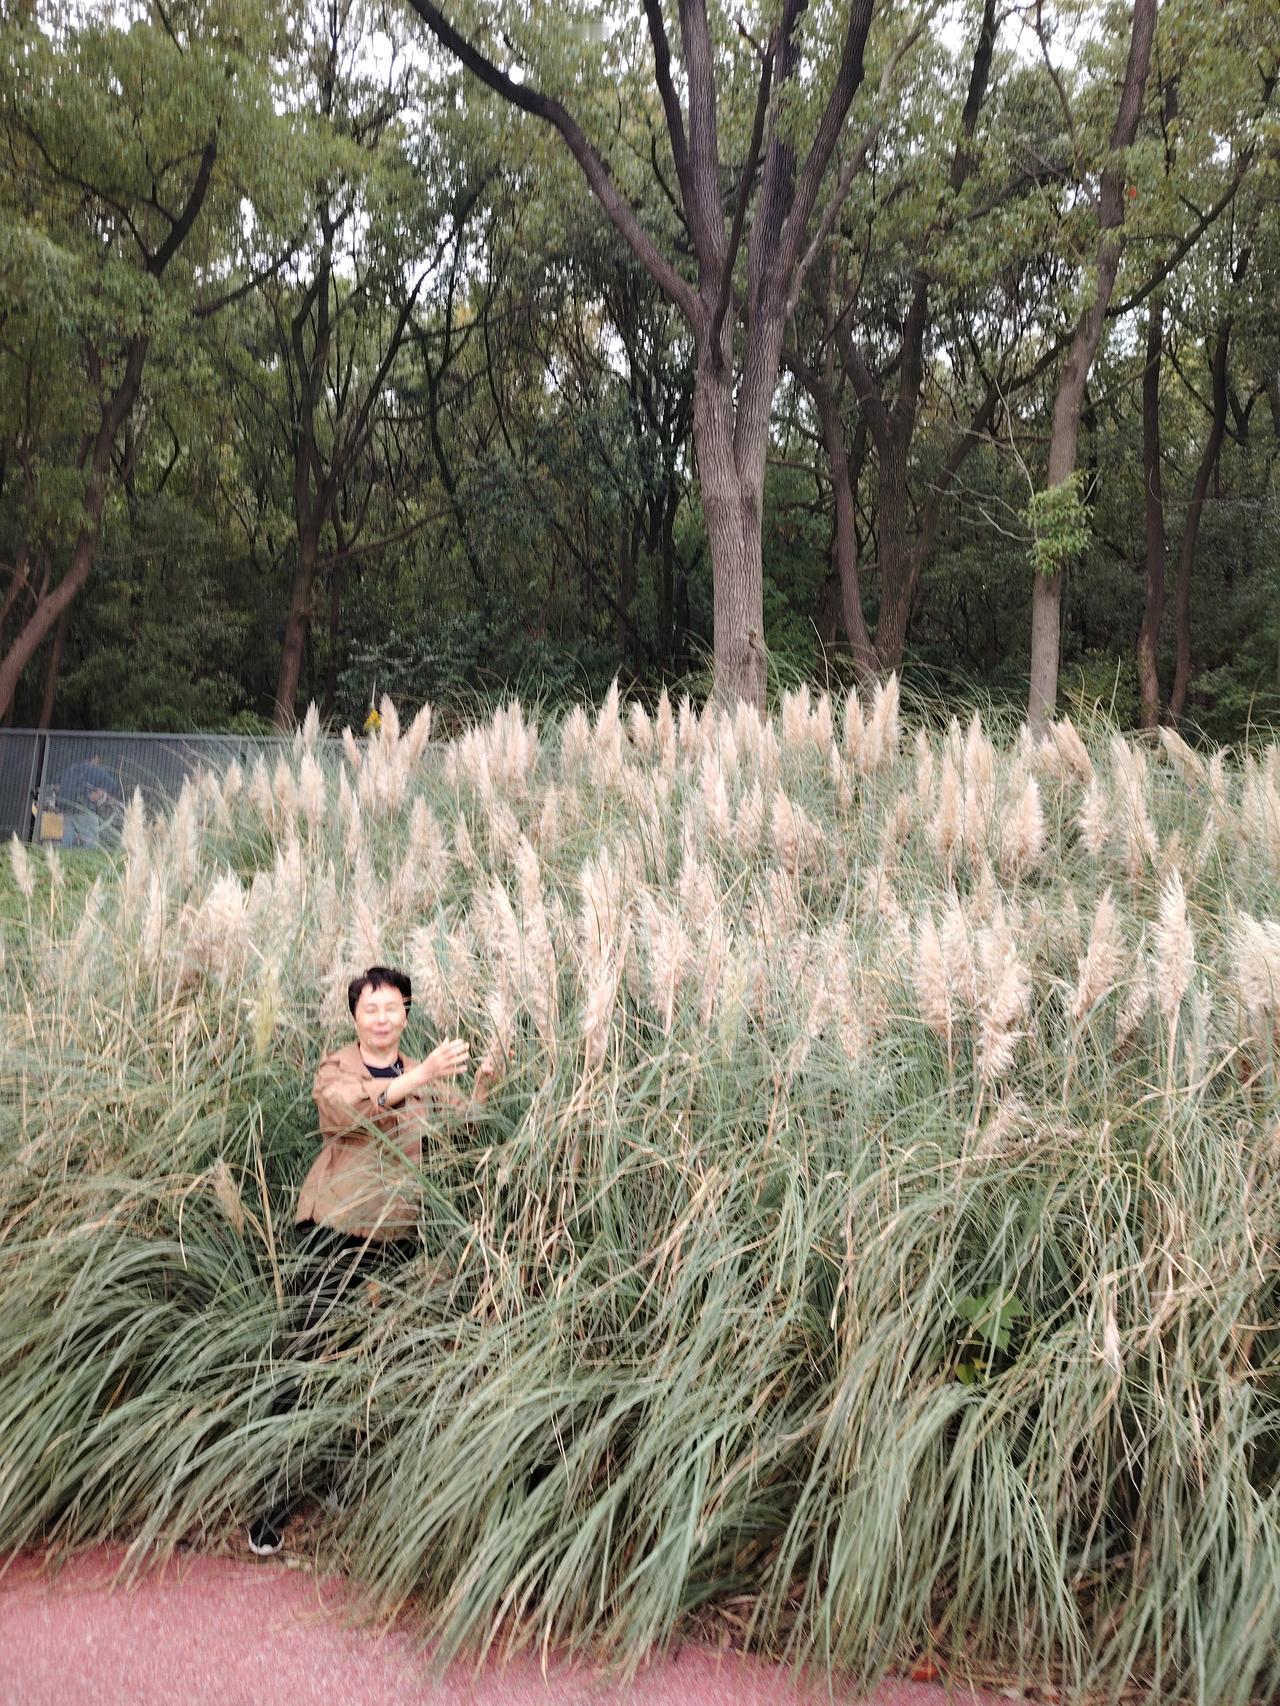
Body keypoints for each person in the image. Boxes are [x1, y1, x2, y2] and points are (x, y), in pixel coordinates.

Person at [247, 965, 493, 1556]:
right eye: (370, 1008)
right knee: (308, 1356)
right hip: (336, 1229)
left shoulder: (420, 1072)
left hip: (396, 1236)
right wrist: (422, 1075)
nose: (382, 1018)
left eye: (392, 1007)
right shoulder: (338, 1068)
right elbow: (346, 1112)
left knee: (373, 1360)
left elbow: (459, 1125)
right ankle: (271, 1501)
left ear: (406, 1013)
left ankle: (337, 1474)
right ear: (355, 1017)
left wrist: (484, 1087)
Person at [53, 753, 120, 848]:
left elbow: (56, 786)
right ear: (96, 757)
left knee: (66, 848)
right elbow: (114, 785)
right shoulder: (96, 770)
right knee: (90, 848)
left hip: (65, 814)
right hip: (86, 813)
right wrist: (101, 793)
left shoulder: (70, 770)